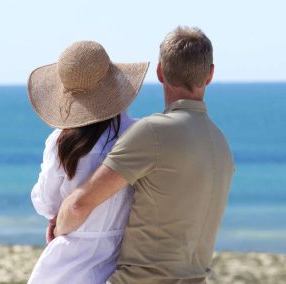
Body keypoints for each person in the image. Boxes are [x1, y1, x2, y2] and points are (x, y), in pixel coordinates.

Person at [54, 26, 235, 283]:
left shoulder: (152, 132)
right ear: (210, 75)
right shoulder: (220, 142)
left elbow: (79, 204)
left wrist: (58, 227)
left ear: (160, 72)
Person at [27, 40, 149, 283]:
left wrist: (60, 219)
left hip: (66, 262)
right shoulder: (140, 135)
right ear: (113, 83)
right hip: (121, 260)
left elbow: (45, 204)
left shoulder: (61, 142)